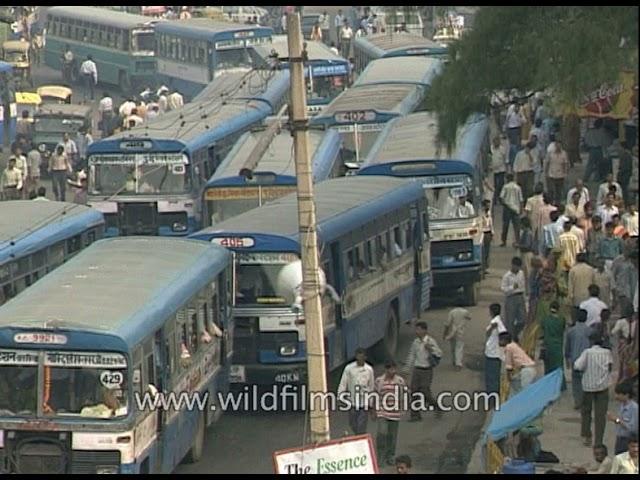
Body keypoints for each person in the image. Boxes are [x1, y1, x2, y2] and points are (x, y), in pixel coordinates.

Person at [574, 333, 613, 447]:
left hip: (588, 386)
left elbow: (577, 366)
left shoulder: (587, 352)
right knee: (600, 415)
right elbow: (610, 367)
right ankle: (599, 441)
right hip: (603, 387)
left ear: (591, 341)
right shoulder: (608, 353)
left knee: (586, 411)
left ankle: (587, 435)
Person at [403, 322, 443, 421]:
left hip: (427, 370)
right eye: (416, 329)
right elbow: (411, 355)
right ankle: (415, 415)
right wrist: (406, 370)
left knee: (425, 391)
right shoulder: (416, 342)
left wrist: (431, 349)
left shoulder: (430, 341)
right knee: (414, 392)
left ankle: (436, 406)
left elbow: (439, 353)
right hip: (417, 369)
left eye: (419, 329)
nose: (417, 332)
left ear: (425, 330)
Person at [374, 361, 406, 466]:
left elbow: (404, 395)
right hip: (382, 412)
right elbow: (375, 395)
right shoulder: (379, 381)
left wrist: (403, 408)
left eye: (394, 369)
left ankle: (390, 456)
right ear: (386, 369)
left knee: (392, 436)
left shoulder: (400, 381)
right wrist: (373, 409)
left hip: (395, 413)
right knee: (382, 434)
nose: (392, 371)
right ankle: (380, 457)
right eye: (390, 369)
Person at [337, 348, 374, 435]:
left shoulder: (369, 370)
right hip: (352, 402)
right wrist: (340, 397)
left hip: (364, 403)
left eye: (362, 356)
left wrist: (371, 404)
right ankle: (358, 436)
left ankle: (360, 438)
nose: (360, 358)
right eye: (358, 356)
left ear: (365, 357)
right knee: (352, 423)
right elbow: (343, 383)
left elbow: (371, 386)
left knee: (361, 425)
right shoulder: (349, 369)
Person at [565, 308, 592, 410]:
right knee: (586, 380)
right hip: (587, 359)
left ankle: (577, 401)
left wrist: (567, 358)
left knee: (576, 381)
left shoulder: (571, 331)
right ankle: (585, 401)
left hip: (575, 359)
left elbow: (567, 347)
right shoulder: (590, 331)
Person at [607, 382, 638, 455]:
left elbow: (633, 428)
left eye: (618, 394)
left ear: (626, 395)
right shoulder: (622, 405)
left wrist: (616, 420)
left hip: (628, 440)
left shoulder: (634, 408)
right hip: (620, 438)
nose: (616, 396)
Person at [540, 301, 566, 383]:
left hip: (548, 345)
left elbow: (542, 329)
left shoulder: (545, 320)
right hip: (558, 345)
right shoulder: (561, 319)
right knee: (558, 366)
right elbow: (563, 329)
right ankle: (560, 384)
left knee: (548, 366)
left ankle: (548, 383)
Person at [485, 303, 507, 397]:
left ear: (491, 311)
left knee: (492, 378)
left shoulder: (496, 322)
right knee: (493, 377)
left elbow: (503, 335)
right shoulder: (497, 321)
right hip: (493, 353)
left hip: (493, 354)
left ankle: (492, 398)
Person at [501, 257, 526, 340]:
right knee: (510, 321)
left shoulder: (521, 273)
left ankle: (515, 333)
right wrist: (512, 287)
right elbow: (503, 289)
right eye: (516, 266)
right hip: (511, 297)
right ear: (512, 265)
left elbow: (522, 285)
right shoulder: (507, 276)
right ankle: (510, 338)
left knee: (522, 320)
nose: (517, 269)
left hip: (520, 296)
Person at [568, 253, 596, 322]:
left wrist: (570, 298)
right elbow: (594, 284)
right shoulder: (591, 269)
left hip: (576, 298)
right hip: (588, 298)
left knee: (576, 320)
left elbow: (570, 286)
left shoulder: (573, 270)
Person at [584, 119, 612, 183]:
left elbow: (586, 140)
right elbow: (606, 142)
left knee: (590, 165)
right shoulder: (602, 132)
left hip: (592, 149)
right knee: (598, 165)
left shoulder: (590, 131)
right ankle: (596, 178)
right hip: (599, 150)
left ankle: (585, 178)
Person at [612, 249, 638, 319]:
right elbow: (625, 284)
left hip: (636, 295)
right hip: (627, 296)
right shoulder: (628, 269)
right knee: (626, 317)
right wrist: (627, 297)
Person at [500, 173, 523, 247]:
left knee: (505, 225)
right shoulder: (518, 187)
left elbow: (501, 197)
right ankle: (517, 241)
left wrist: (504, 204)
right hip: (516, 208)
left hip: (507, 208)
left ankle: (504, 241)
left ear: (507, 179)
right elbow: (521, 199)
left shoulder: (505, 187)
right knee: (517, 226)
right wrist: (521, 209)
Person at [544, 140, 569, 206]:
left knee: (559, 191)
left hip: (560, 175)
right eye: (557, 145)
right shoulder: (550, 153)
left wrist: (565, 173)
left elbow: (565, 164)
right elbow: (547, 163)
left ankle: (558, 204)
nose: (558, 147)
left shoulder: (564, 153)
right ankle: (550, 204)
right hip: (551, 175)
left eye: (560, 145)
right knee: (551, 190)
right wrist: (546, 173)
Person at [516, 217, 534, 286]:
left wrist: (518, 245)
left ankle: (528, 291)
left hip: (526, 255)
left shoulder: (527, 233)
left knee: (527, 273)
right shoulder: (526, 232)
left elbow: (527, 245)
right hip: (524, 254)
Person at [490, 135, 508, 204]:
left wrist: (506, 170)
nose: (496, 143)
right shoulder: (491, 148)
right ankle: (496, 198)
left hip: (501, 170)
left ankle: (499, 198)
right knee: (495, 185)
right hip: (494, 171)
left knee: (500, 185)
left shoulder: (502, 149)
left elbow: (505, 159)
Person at [481, 200, 493, 273]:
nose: (488, 207)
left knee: (487, 251)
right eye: (487, 205)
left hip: (488, 232)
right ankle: (482, 267)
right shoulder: (481, 213)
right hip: (483, 232)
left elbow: (491, 223)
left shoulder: (489, 213)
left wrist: (492, 232)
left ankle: (485, 267)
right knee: (483, 251)